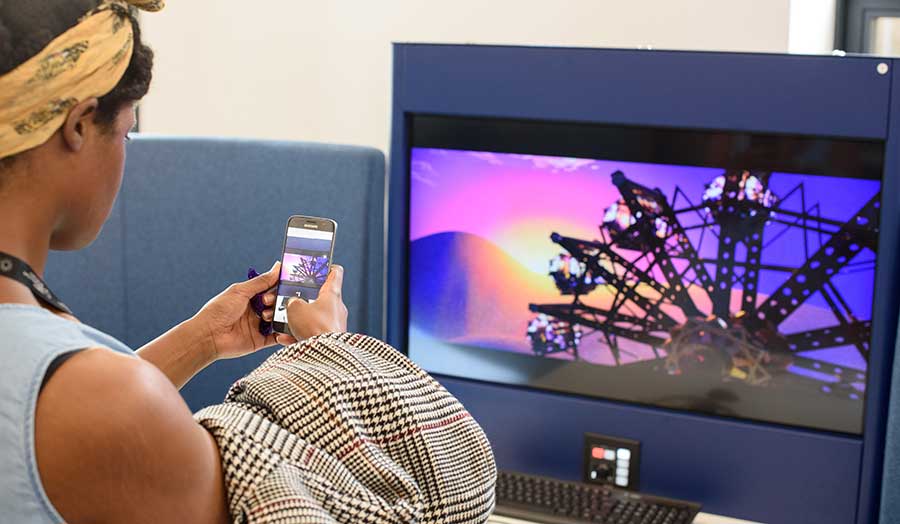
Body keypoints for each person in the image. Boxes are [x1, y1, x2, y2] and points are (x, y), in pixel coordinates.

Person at [0, 1, 348, 522]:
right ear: (78, 125)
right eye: (125, 133)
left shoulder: (64, 385)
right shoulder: (108, 404)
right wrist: (329, 355)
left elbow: (41, 421)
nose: (125, 155)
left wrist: (202, 339)